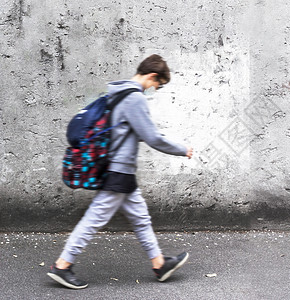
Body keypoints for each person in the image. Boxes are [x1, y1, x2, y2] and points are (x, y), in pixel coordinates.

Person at [47, 54, 193, 289]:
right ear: (152, 76)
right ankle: (62, 266)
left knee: (141, 218)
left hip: (119, 171)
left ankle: (159, 264)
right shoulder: (135, 98)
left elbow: (127, 133)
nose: (156, 89)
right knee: (94, 220)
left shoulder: (118, 92)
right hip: (119, 172)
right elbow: (152, 137)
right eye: (159, 85)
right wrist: (181, 149)